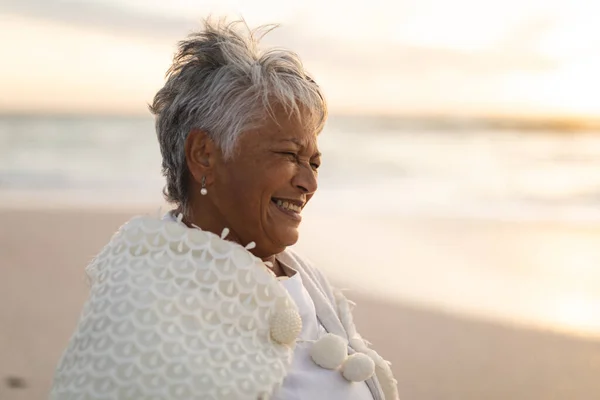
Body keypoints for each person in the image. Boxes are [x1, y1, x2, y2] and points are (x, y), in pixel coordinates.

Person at [50, 19, 398, 400]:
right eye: (288, 155)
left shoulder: (308, 279)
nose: (309, 184)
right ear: (204, 155)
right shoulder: (145, 303)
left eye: (313, 163)